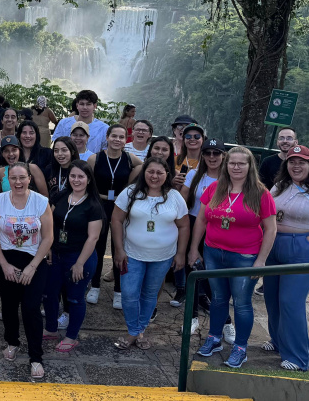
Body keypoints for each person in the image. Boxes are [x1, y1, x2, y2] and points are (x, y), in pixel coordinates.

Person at [188, 146, 276, 369]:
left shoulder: (260, 193)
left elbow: (271, 228)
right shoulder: (216, 188)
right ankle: (214, 338)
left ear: (250, 166)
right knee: (217, 298)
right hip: (214, 252)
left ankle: (240, 348)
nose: (236, 167)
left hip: (245, 256)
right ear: (226, 165)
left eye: (241, 163)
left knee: (242, 303)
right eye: (232, 163)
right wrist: (193, 249)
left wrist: (260, 261)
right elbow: (201, 220)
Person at [111, 157, 189, 351]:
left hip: (162, 257)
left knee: (150, 295)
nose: (154, 176)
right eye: (150, 172)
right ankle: (134, 331)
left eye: (159, 173)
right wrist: (119, 249)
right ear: (144, 172)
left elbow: (184, 225)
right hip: (132, 254)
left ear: (167, 175)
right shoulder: (129, 193)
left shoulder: (175, 197)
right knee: (129, 294)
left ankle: (139, 331)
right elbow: (116, 220)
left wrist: (181, 254)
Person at [0, 162, 53, 379]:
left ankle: (36, 356)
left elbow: (48, 237)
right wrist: (4, 264)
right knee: (8, 304)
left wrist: (33, 266)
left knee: (31, 307)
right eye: (13, 178)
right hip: (7, 256)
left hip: (34, 258)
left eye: (22, 177)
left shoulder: (41, 201)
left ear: (29, 178)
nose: (18, 182)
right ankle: (12, 341)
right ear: (8, 179)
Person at [43, 160, 103, 352]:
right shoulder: (60, 196)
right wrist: (49, 248)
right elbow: (49, 223)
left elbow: (93, 238)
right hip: (56, 254)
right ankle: (51, 329)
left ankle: (71, 336)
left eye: (81, 176)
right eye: (73, 176)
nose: (76, 180)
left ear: (88, 179)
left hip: (79, 256)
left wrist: (79, 264)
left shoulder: (93, 205)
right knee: (49, 294)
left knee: (75, 298)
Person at [85, 125, 143, 307]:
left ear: (126, 140)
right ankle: (95, 286)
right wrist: (100, 196)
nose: (117, 140)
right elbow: (88, 182)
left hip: (120, 205)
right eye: (114, 136)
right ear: (107, 137)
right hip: (99, 205)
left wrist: (127, 189)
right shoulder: (95, 158)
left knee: (120, 247)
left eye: (121, 137)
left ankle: (118, 289)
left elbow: (143, 166)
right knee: (98, 245)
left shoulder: (128, 158)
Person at [265, 144, 309, 371]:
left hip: (301, 246)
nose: (296, 165)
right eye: (292, 161)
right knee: (272, 298)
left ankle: (300, 356)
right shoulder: (280, 185)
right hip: (274, 245)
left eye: (302, 161)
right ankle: (278, 341)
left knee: (291, 302)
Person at [177, 138, 226, 332]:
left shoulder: (229, 177)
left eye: (216, 153)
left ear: (223, 155)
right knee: (193, 268)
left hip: (218, 226)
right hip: (193, 221)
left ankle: (224, 319)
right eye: (208, 153)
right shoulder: (195, 174)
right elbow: (183, 196)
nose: (212, 157)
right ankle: (192, 317)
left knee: (215, 273)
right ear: (203, 155)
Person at [174, 123, 205, 190]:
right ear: (184, 139)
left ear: (203, 139)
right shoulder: (175, 160)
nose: (192, 139)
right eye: (188, 136)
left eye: (197, 136)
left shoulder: (207, 162)